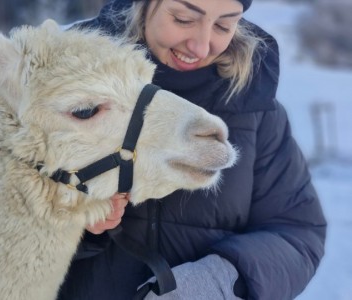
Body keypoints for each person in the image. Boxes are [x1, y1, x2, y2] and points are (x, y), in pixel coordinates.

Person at [58, 0, 327, 299]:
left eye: (224, 25)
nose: (201, 47)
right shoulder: (66, 84)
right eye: (183, 19)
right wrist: (74, 224)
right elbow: (7, 219)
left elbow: (297, 233)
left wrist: (219, 281)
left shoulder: (256, 110)